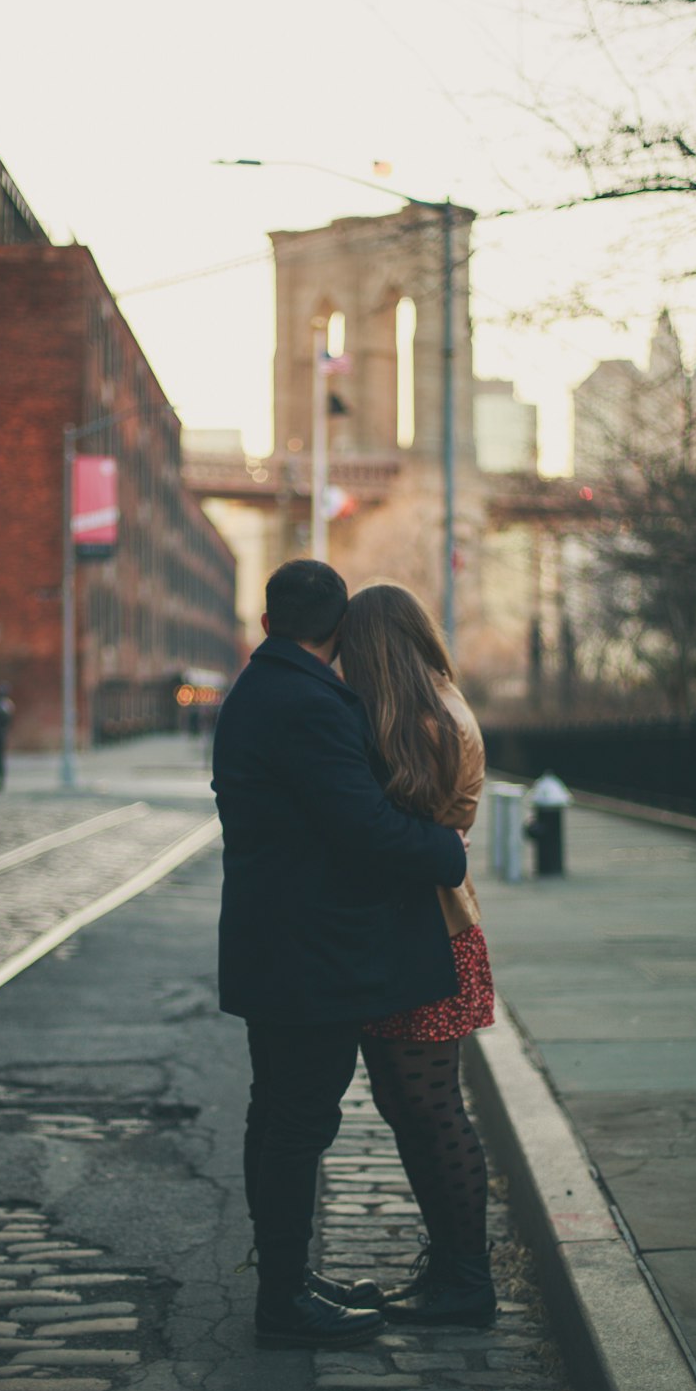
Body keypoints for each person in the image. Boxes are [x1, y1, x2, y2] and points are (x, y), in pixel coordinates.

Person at [211, 560, 467, 1350]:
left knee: (280, 1118)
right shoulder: (307, 703)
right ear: (340, 627)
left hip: (282, 945)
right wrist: (444, 850)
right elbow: (362, 827)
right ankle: (283, 1302)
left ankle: (288, 1280)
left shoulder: (261, 689)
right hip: (309, 955)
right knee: (296, 1124)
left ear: (266, 622)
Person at [338, 582, 497, 1327]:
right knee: (411, 1106)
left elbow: (408, 838)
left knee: (432, 1109)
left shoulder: (425, 724)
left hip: (429, 934)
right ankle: (451, 1269)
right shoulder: (432, 707)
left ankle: (468, 1280)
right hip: (427, 931)